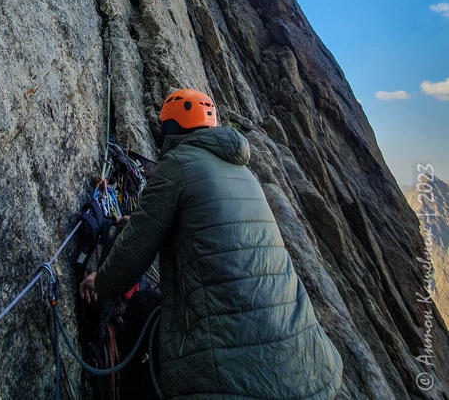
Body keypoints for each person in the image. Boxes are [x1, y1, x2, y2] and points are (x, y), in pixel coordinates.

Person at [80, 89, 343, 400]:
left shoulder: (177, 163)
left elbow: (133, 253)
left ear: (171, 129)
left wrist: (101, 281)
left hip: (233, 373)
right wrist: (139, 222)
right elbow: (210, 225)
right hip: (307, 360)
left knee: (140, 309)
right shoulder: (244, 173)